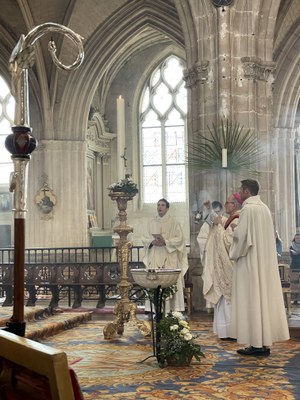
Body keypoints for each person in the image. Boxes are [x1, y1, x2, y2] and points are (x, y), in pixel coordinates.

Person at [229, 179, 290, 356]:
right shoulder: (264, 208)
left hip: (249, 262)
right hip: (263, 262)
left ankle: (256, 345)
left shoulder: (248, 209)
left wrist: (234, 231)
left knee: (252, 299)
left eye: (241, 189)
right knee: (261, 300)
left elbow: (242, 238)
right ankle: (262, 343)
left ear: (247, 191)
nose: (239, 192)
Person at [204, 193, 243, 340]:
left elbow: (230, 242)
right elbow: (217, 221)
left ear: (236, 205)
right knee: (222, 298)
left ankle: (233, 331)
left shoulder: (239, 219)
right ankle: (224, 330)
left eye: (228, 203)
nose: (226, 205)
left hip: (231, 265)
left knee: (230, 298)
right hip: (223, 266)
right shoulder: (230, 219)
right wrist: (209, 210)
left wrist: (219, 226)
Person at [142, 198, 189, 314]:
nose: (160, 207)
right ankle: (156, 309)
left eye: (162, 205)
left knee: (170, 281)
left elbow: (180, 239)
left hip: (169, 256)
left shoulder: (174, 222)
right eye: (158, 205)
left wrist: (166, 242)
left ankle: (172, 309)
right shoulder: (151, 222)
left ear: (167, 208)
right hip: (155, 255)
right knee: (155, 281)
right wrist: (152, 242)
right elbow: (144, 237)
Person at [197, 200, 226, 311]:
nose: (217, 215)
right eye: (215, 212)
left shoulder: (224, 222)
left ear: (221, 211)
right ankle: (211, 306)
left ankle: (223, 305)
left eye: (218, 212)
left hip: (222, 258)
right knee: (211, 280)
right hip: (211, 258)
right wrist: (211, 243)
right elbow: (201, 240)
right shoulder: (206, 225)